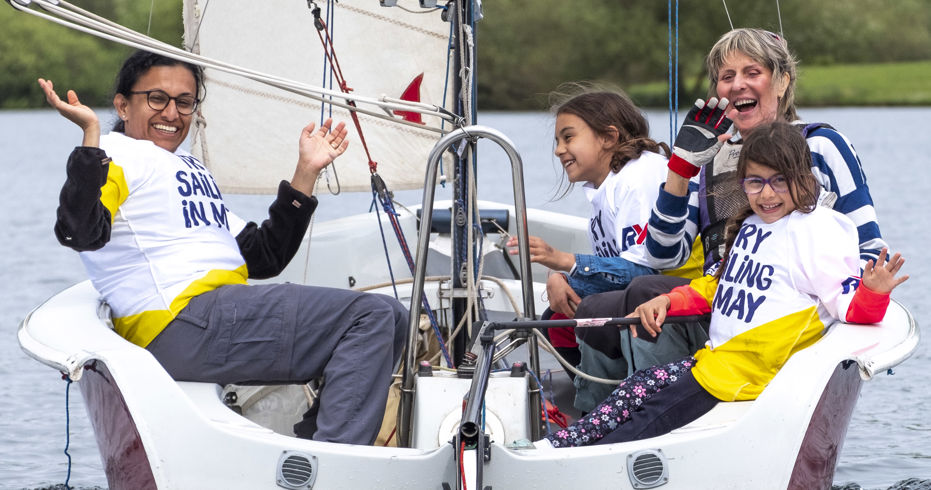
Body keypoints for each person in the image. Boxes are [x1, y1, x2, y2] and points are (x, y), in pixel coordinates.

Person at [39, 50, 408, 445]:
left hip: (218, 317)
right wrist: (91, 140)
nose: (172, 113)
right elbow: (79, 232)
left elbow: (264, 256)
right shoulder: (118, 158)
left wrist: (306, 172)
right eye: (157, 99)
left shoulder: (186, 169)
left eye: (185, 102)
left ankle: (314, 451)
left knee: (391, 318)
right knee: (371, 317)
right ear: (123, 105)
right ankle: (336, 466)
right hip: (182, 321)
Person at [571, 27, 889, 412]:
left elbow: (868, 246)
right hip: (721, 307)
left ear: (783, 81)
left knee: (643, 293)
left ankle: (656, 413)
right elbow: (662, 255)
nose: (738, 85)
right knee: (594, 311)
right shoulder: (708, 158)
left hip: (789, 316)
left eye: (752, 73)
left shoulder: (820, 145)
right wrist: (680, 170)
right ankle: (595, 420)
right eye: (726, 77)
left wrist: (865, 305)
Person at [540, 120, 907, 448]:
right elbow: (716, 287)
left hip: (739, 382)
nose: (766, 194)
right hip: (711, 365)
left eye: (779, 181)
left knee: (640, 420)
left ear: (804, 180)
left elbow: (849, 307)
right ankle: (558, 445)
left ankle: (574, 460)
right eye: (755, 182)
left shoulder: (817, 232)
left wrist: (874, 291)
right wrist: (669, 302)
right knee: (630, 394)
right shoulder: (751, 227)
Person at [504, 85, 671, 370]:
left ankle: (612, 400)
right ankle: (597, 398)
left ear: (608, 137)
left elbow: (646, 272)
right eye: (557, 140)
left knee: (587, 313)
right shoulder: (606, 186)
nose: (558, 150)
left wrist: (565, 262)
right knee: (557, 321)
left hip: (671, 296)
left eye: (568, 137)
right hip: (642, 295)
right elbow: (616, 268)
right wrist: (562, 277)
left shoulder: (639, 177)